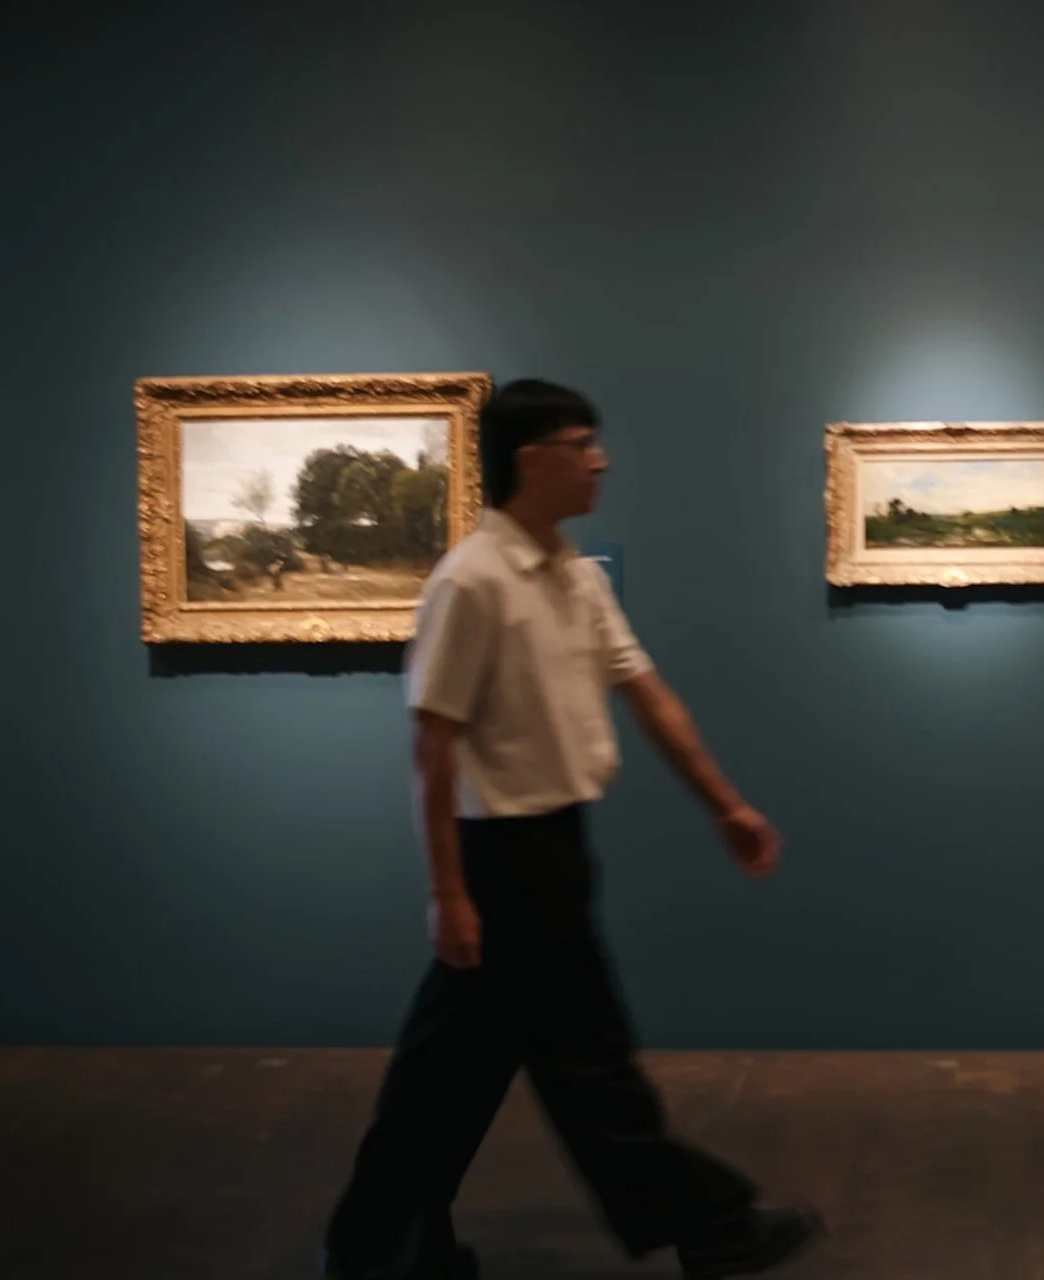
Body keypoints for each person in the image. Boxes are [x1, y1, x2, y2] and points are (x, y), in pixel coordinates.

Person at [320, 379, 823, 1279]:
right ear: (530, 460)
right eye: (581, 443)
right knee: (587, 1069)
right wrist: (448, 894)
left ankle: (380, 1247)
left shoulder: (576, 578)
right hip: (503, 859)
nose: (601, 460)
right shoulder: (470, 582)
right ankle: (714, 1225)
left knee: (457, 1078)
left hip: (554, 849)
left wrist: (725, 805)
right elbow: (432, 747)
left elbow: (648, 695)